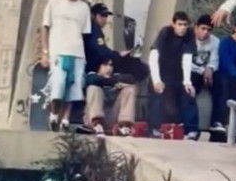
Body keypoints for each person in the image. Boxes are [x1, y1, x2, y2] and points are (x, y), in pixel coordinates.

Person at [39, 0, 92, 132]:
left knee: (74, 87)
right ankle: (54, 115)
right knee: (58, 83)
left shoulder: (84, 7)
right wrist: (45, 52)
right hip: (58, 51)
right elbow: (45, 26)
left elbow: (84, 33)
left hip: (77, 52)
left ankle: (66, 119)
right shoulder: (54, 2)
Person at [147, 11, 199, 140]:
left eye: (185, 25)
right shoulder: (165, 32)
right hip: (161, 74)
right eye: (179, 24)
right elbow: (153, 57)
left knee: (188, 93)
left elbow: (187, 58)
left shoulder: (189, 34)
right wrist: (156, 80)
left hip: (178, 76)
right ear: (173, 24)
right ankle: (154, 128)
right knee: (157, 94)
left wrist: (187, 82)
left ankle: (191, 130)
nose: (182, 28)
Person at [83, 57, 137, 136]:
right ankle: (97, 125)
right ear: (99, 66)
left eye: (111, 65)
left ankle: (124, 126)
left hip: (112, 116)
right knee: (94, 88)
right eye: (105, 65)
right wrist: (113, 82)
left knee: (129, 89)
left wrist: (115, 83)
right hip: (93, 117)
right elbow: (92, 80)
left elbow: (131, 79)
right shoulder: (92, 75)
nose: (109, 68)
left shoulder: (116, 76)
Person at [190, 14, 225, 136]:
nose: (205, 32)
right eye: (203, 28)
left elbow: (214, 60)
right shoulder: (188, 38)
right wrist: (202, 71)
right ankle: (191, 127)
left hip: (207, 71)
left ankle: (216, 121)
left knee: (220, 84)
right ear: (196, 28)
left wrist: (210, 69)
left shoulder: (215, 41)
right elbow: (184, 61)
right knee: (192, 86)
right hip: (192, 71)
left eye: (209, 30)